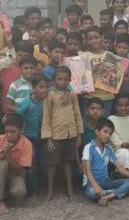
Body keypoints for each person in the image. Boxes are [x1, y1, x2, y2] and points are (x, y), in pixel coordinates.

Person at [41, 66, 83, 199]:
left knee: (68, 162)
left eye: (65, 79)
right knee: (52, 164)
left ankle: (69, 188)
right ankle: (50, 190)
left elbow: (77, 114)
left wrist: (79, 134)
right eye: (59, 79)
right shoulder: (50, 95)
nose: (62, 82)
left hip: (71, 133)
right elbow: (46, 116)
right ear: (54, 80)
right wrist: (47, 138)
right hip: (55, 135)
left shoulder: (72, 94)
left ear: (70, 80)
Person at [82, 118, 129, 206]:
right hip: (92, 184)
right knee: (91, 192)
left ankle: (106, 197)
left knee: (128, 182)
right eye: (105, 132)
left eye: (110, 133)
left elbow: (120, 168)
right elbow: (87, 171)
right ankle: (113, 194)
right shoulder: (89, 147)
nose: (108, 135)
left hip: (105, 182)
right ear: (97, 131)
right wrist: (96, 187)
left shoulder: (108, 149)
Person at [0, 114, 32, 214]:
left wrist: (7, 156)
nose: (9, 135)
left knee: (19, 193)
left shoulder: (26, 144)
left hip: (15, 174)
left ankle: (4, 193)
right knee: (1, 162)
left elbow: (22, 172)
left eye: (13, 132)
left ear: (21, 130)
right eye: (7, 131)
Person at [16, 74, 48, 195]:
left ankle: (42, 186)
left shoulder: (45, 100)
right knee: (32, 163)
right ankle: (33, 189)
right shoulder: (27, 102)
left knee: (42, 162)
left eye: (46, 87)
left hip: (42, 136)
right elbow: (18, 114)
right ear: (33, 88)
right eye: (41, 87)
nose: (44, 90)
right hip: (29, 137)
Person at [79, 26, 115, 117]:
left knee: (104, 124)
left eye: (96, 37)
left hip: (107, 97)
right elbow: (79, 79)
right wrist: (92, 69)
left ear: (102, 37)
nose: (94, 41)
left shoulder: (111, 56)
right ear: (86, 40)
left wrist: (117, 74)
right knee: (88, 124)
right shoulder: (83, 56)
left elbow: (115, 79)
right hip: (89, 97)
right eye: (90, 39)